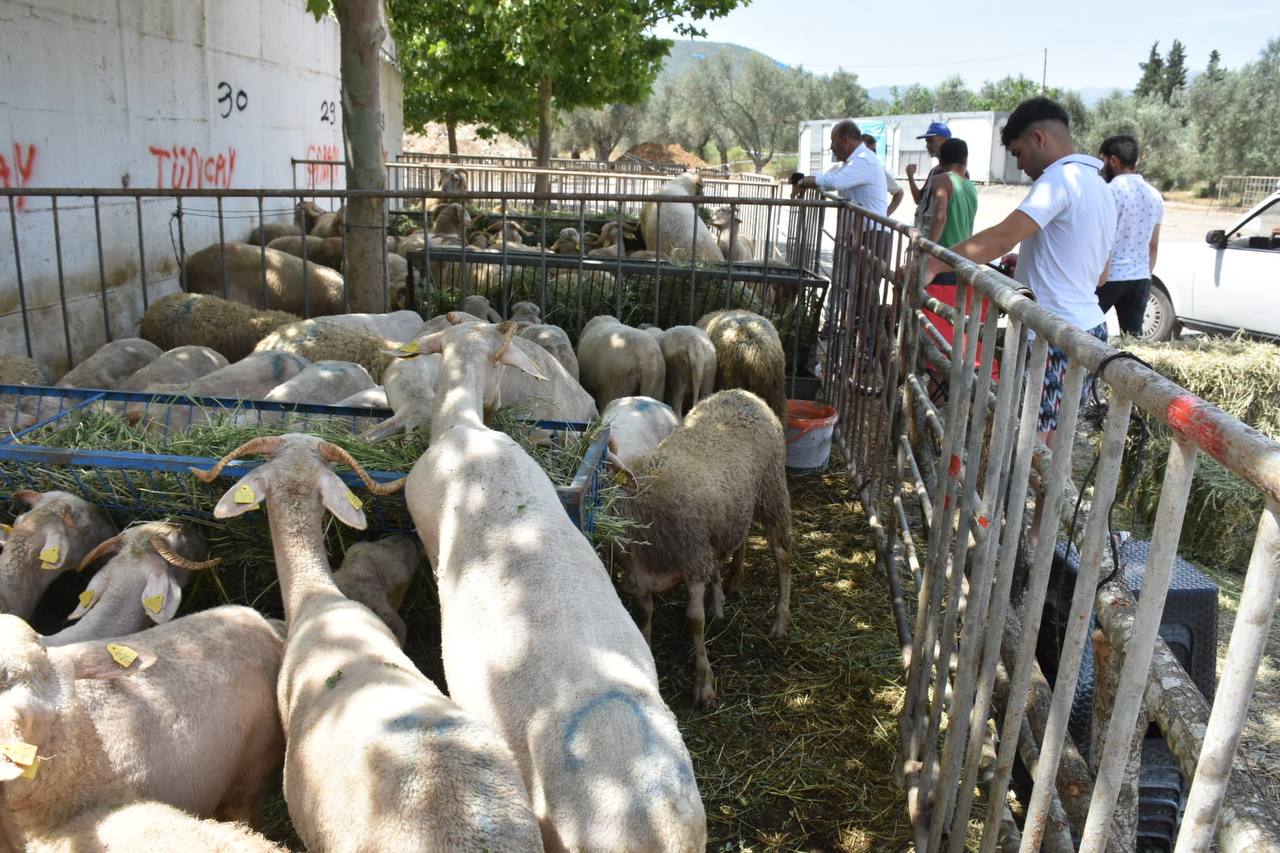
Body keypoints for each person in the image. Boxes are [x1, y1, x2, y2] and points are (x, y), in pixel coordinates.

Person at [925, 97, 1116, 444]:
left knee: (1035, 446)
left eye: (1018, 152)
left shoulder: (1059, 179)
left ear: (1038, 138)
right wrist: (1029, 266)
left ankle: (1042, 500)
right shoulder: (1099, 186)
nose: (1020, 165)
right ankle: (1047, 500)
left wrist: (934, 262)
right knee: (1056, 444)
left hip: (1054, 333)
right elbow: (1100, 274)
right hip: (1089, 327)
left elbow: (1001, 238)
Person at [1096, 134, 1163, 336]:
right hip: (1140, 276)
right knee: (1132, 340)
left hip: (1109, 276)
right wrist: (1145, 273)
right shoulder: (1155, 195)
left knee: (1085, 332)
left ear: (1113, 160)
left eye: (1103, 160)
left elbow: (1100, 241)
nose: (1101, 167)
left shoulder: (1109, 192)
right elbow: (1154, 244)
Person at [927, 138, 978, 250]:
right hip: (962, 255)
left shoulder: (941, 180)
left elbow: (940, 218)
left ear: (941, 160)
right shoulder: (971, 187)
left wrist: (926, 250)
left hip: (944, 255)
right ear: (965, 160)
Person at [906, 121, 951, 219]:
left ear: (945, 140)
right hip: (924, 230)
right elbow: (918, 199)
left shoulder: (954, 173)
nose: (927, 146)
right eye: (927, 142)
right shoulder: (934, 171)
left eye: (930, 140)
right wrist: (910, 177)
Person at [861, 133, 905, 217]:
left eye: (874, 151)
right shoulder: (850, 167)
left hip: (873, 227)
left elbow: (899, 193)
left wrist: (885, 215)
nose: (871, 154)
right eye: (867, 151)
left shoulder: (877, 170)